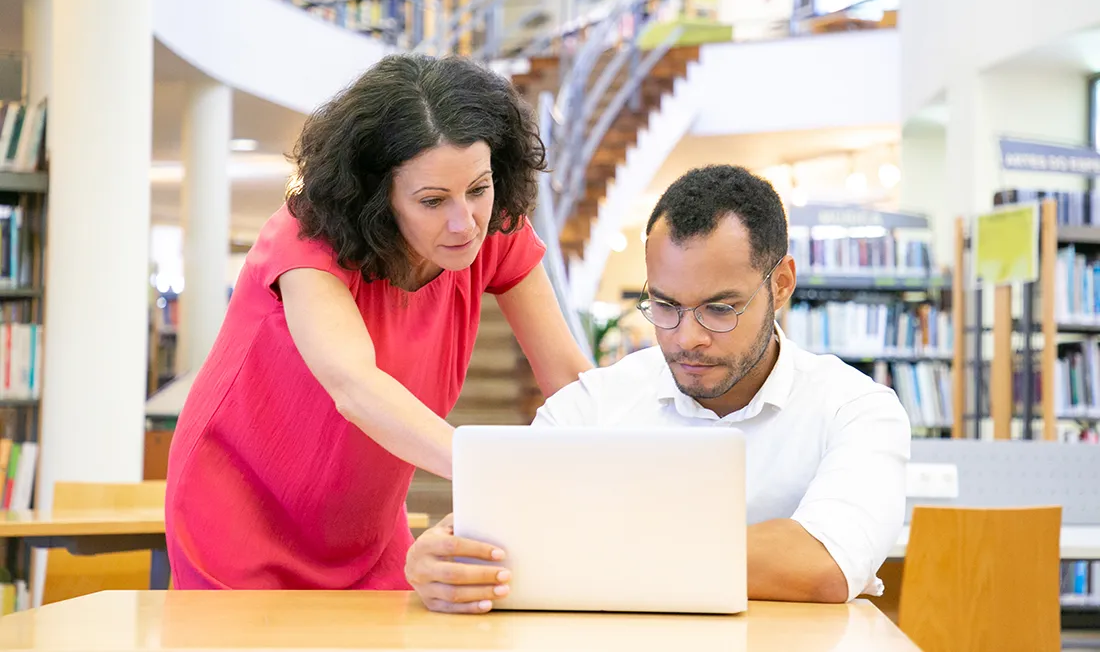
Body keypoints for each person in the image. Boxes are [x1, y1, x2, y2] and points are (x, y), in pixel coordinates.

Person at [165, 54, 593, 590]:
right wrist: (492, 468)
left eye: (478, 189)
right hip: (243, 511)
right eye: (432, 200)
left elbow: (567, 376)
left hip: (365, 524)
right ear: (376, 197)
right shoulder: (306, 242)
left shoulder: (496, 232)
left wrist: (621, 462)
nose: (465, 223)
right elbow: (355, 387)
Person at [404, 165, 911, 612]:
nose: (687, 338)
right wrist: (442, 562)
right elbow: (504, 543)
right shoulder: (592, 403)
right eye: (666, 306)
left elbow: (824, 565)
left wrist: (588, 547)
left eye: (720, 309)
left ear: (780, 285)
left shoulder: (857, 409)